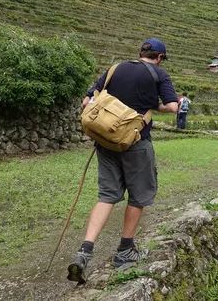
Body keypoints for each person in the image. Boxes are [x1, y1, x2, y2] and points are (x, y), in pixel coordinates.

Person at [67, 38, 178, 284]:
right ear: (159, 57)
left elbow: (88, 102)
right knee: (138, 196)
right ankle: (125, 249)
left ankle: (84, 251)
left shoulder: (114, 68)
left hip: (105, 143)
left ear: (140, 53)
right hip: (135, 143)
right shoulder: (159, 74)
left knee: (107, 195)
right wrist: (151, 106)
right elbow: (172, 107)